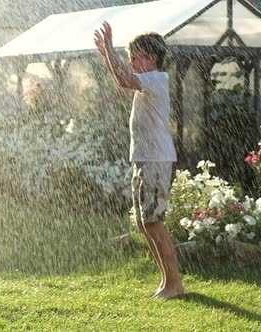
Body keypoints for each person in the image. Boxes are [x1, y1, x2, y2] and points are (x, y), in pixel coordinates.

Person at [94, 22, 184, 299]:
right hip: (144, 159)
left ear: (152, 58)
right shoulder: (147, 82)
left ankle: (175, 284)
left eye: (137, 56)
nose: (132, 61)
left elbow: (123, 79)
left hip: (155, 160)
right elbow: (123, 74)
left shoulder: (158, 79)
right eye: (131, 56)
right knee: (144, 222)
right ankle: (166, 281)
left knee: (154, 221)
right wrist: (106, 54)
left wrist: (109, 50)